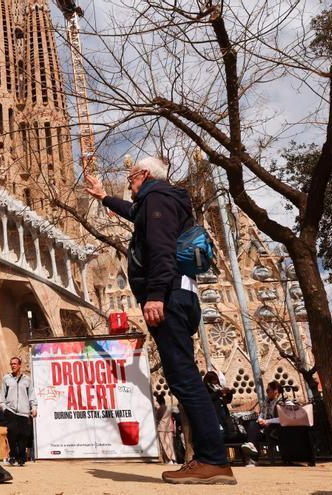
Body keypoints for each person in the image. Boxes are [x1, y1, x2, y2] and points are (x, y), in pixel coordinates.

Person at [86, 159, 235, 484]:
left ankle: (213, 459)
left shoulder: (157, 199)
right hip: (180, 295)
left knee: (184, 378)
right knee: (183, 376)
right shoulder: (160, 199)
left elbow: (161, 248)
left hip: (169, 297)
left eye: (131, 177)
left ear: (145, 175)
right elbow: (136, 216)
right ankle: (208, 458)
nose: (128, 182)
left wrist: (155, 294)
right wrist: (103, 197)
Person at [0, 357, 37, 467]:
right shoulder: (6, 379)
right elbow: (2, 395)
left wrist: (33, 407)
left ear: (20, 365)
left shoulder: (27, 380)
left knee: (24, 435)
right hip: (10, 411)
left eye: (15, 364)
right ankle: (13, 456)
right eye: (11, 364)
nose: (13, 366)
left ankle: (21, 457)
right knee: (12, 434)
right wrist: (4, 407)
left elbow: (31, 395)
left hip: (24, 412)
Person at [244, 380, 287, 464]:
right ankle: (251, 448)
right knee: (252, 424)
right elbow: (262, 413)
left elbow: (282, 418)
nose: (267, 392)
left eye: (268, 390)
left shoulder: (283, 401)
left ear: (276, 391)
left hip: (278, 427)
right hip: (266, 424)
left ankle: (252, 454)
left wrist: (267, 421)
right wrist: (260, 419)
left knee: (257, 429)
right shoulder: (266, 401)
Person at [155, 395, 177, 464]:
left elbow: (157, 418)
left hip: (162, 427)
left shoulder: (160, 409)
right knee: (170, 444)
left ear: (159, 401)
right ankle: (174, 459)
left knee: (165, 444)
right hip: (169, 427)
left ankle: (169, 459)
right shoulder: (170, 408)